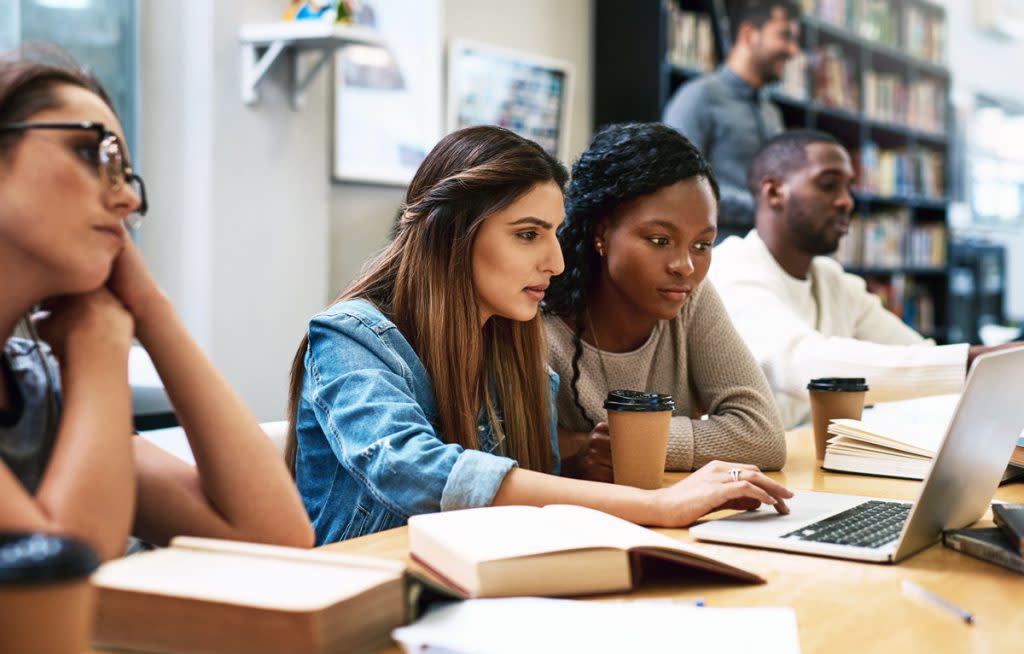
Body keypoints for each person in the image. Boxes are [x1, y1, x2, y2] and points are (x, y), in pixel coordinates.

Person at [286, 125, 793, 544]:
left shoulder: (511, 342)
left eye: (554, 233)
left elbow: (533, 498)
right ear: (451, 234)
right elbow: (416, 472)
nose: (555, 261)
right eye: (528, 234)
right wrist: (657, 505)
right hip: (357, 602)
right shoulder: (350, 339)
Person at [0, 48, 313, 560]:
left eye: (125, 175)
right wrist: (101, 344)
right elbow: (57, 582)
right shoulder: (80, 360)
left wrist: (150, 307)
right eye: (89, 153)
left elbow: (275, 535)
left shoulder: (36, 390)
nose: (125, 199)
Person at [709, 129, 1024, 428]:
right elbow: (804, 367)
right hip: (737, 471)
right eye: (828, 184)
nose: (847, 201)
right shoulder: (731, 270)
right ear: (774, 192)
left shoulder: (832, 281)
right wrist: (971, 363)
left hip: (802, 463)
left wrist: (987, 367)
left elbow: (918, 354)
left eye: (849, 187)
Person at [543, 123, 786, 484]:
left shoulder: (690, 298)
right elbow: (511, 448)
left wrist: (634, 443)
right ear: (601, 233)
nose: (685, 266)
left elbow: (764, 436)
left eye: (702, 245)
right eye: (660, 240)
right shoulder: (536, 315)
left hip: (671, 518)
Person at [662, 0, 801, 239]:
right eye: (784, 35)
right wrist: (767, 207)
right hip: (717, 259)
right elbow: (679, 184)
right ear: (749, 34)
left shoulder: (772, 113)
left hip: (769, 254)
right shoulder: (697, 98)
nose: (793, 51)